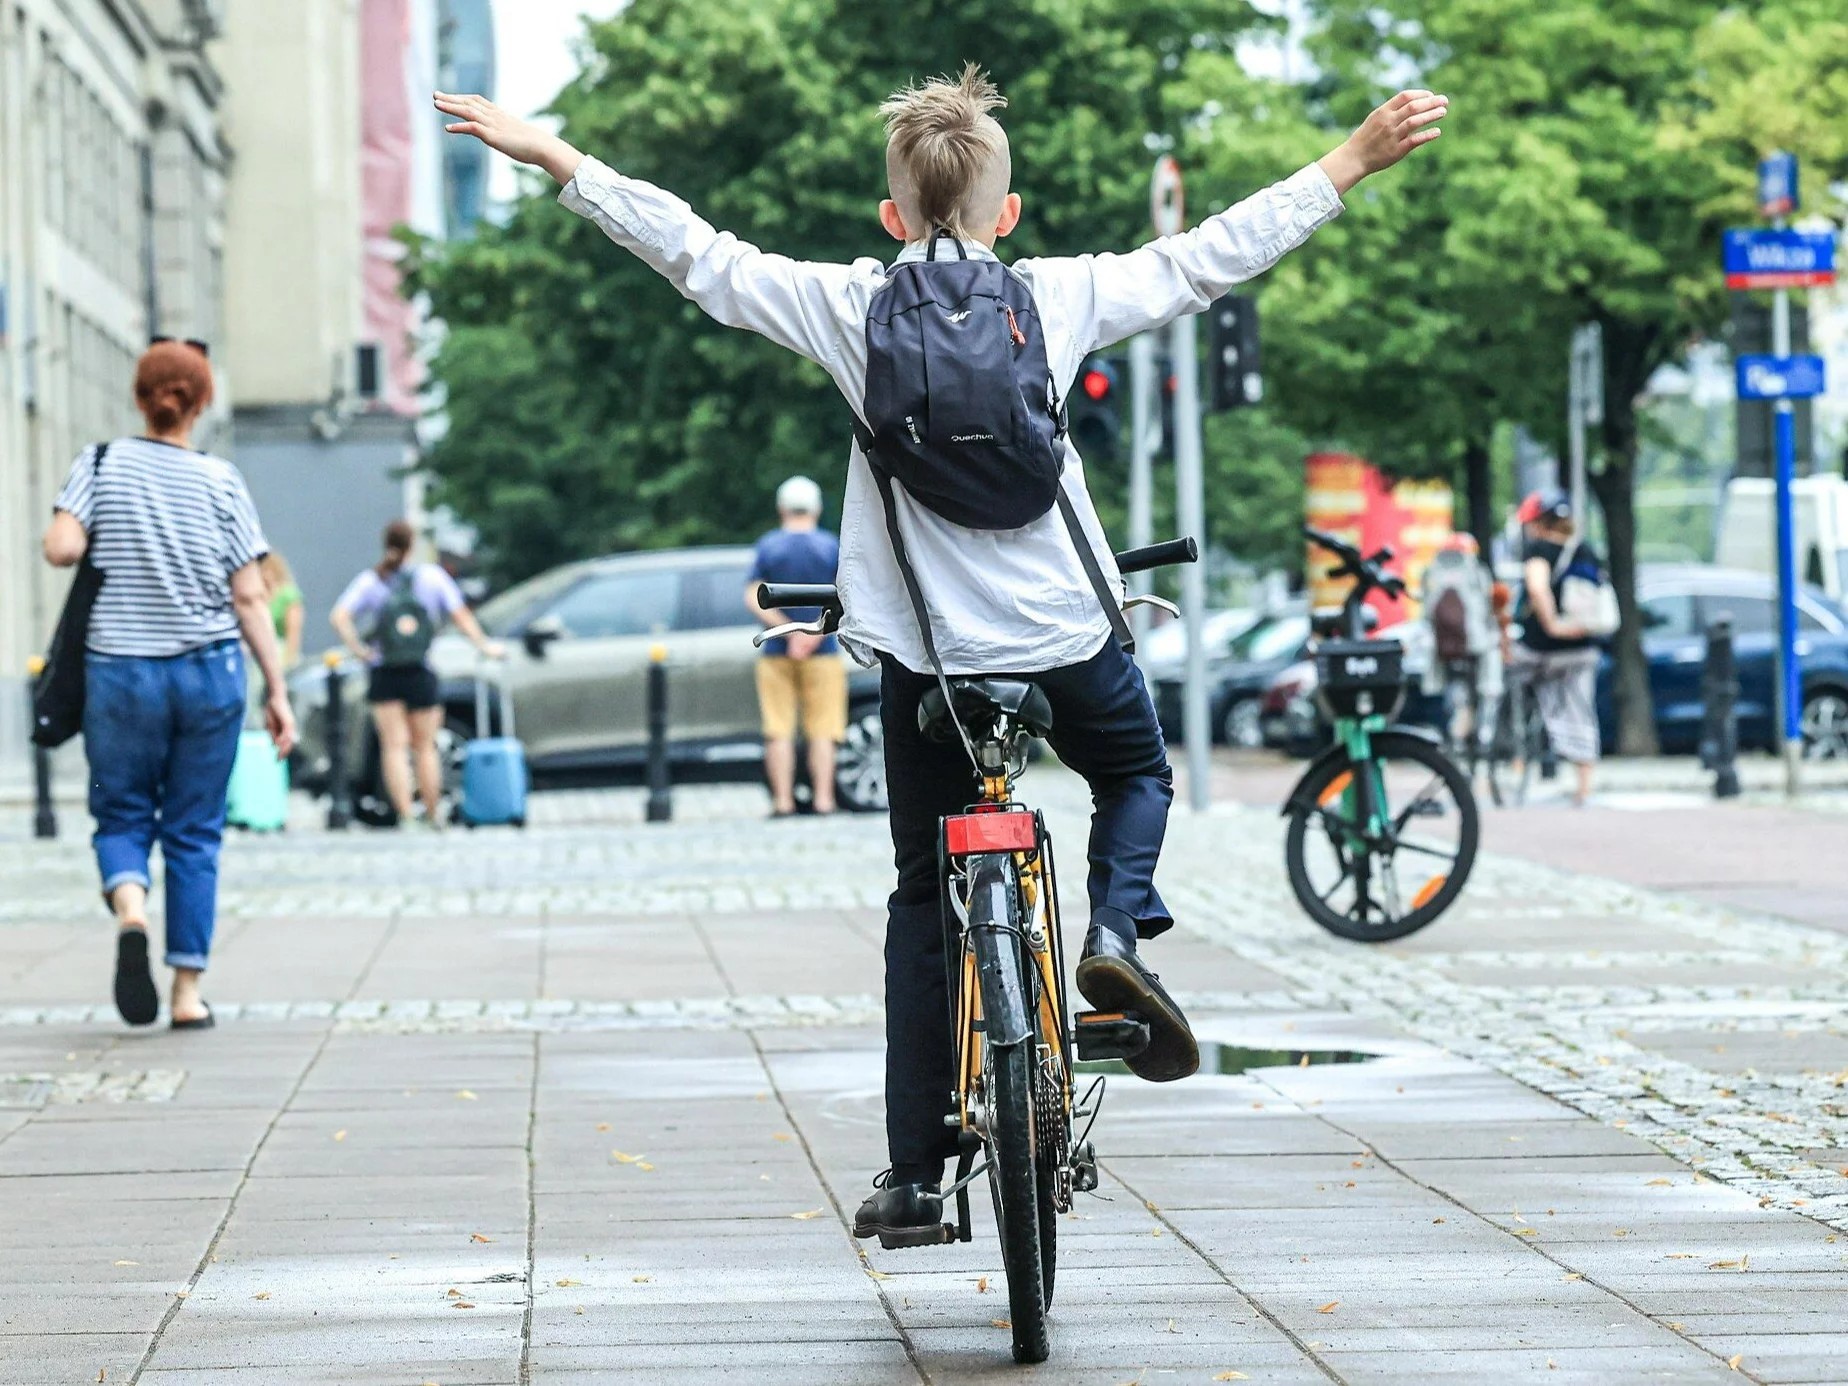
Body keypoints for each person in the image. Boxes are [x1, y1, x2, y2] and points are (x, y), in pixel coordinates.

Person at [436, 69, 1446, 1240]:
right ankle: (1114, 935)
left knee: (926, 897)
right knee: (1133, 776)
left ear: (892, 216)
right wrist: (1352, 161)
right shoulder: (1055, 299)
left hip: (929, 658)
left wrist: (557, 158)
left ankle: (915, 1172)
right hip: (1065, 637)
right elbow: (1209, 256)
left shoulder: (847, 306)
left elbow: (698, 255)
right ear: (1005, 216)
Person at [40, 339, 297, 1030]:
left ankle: (131, 910)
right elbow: (249, 596)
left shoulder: (99, 464)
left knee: (121, 815)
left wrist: (110, 532)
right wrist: (276, 689)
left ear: (140, 398)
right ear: (202, 401)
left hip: (119, 671)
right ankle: (186, 994)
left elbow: (61, 548)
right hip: (207, 672)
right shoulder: (221, 482)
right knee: (194, 833)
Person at [330, 520, 503, 827]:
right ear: (413, 545)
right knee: (425, 746)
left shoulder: (373, 580)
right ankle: (434, 814)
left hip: (384, 671)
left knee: (394, 747)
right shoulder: (432, 578)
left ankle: (406, 815)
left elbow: (340, 616)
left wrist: (359, 650)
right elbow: (460, 614)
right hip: (420, 670)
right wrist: (483, 645)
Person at [745, 476, 848, 817]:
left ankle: (783, 802)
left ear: (781, 508)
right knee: (823, 728)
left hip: (776, 653)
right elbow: (846, 596)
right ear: (816, 508)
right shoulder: (830, 546)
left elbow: (752, 596)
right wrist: (810, 635)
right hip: (823, 652)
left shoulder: (768, 546)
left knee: (778, 729)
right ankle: (823, 800)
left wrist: (788, 633)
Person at [1511, 488, 1603, 805]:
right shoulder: (1585, 550)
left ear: (1538, 522)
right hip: (1582, 647)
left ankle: (1514, 754)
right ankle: (1584, 786)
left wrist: (1551, 624)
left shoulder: (1538, 550)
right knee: (1581, 707)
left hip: (1542, 648)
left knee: (1507, 678)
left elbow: (1537, 588)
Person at [1420, 531, 1502, 754]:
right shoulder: (1477, 571)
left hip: (1442, 648)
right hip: (1477, 644)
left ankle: (1455, 734)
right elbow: (1488, 608)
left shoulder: (1431, 572)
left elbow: (1425, 612)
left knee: (1452, 692)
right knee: (1489, 685)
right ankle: (1485, 733)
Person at [261, 551, 305, 670]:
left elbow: (293, 633)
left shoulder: (288, 595)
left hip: (282, 653)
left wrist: (288, 663)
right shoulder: (261, 599)